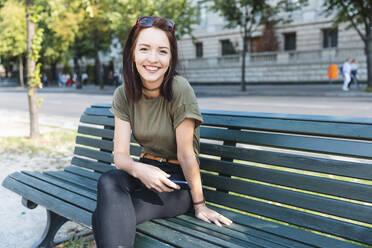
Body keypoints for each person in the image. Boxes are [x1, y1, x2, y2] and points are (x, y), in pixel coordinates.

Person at [91, 16, 233, 247]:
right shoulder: (123, 94)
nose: (153, 59)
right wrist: (139, 169)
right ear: (132, 53)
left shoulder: (179, 89)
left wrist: (200, 206)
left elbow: (187, 155)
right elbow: (120, 157)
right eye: (144, 49)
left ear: (171, 57)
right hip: (144, 170)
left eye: (162, 51)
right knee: (109, 181)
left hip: (176, 182)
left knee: (103, 216)